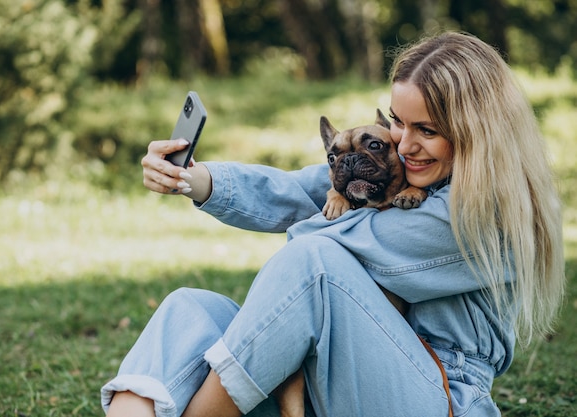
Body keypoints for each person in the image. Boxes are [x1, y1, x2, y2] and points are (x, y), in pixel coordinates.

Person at [100, 31, 565, 417]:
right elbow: (296, 191)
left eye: (428, 130)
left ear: (476, 132)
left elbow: (325, 245)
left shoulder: (490, 213)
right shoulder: (406, 169)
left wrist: (317, 220)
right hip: (349, 379)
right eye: (400, 123)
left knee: (315, 261)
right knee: (189, 310)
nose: (404, 145)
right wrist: (194, 179)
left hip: (439, 397)